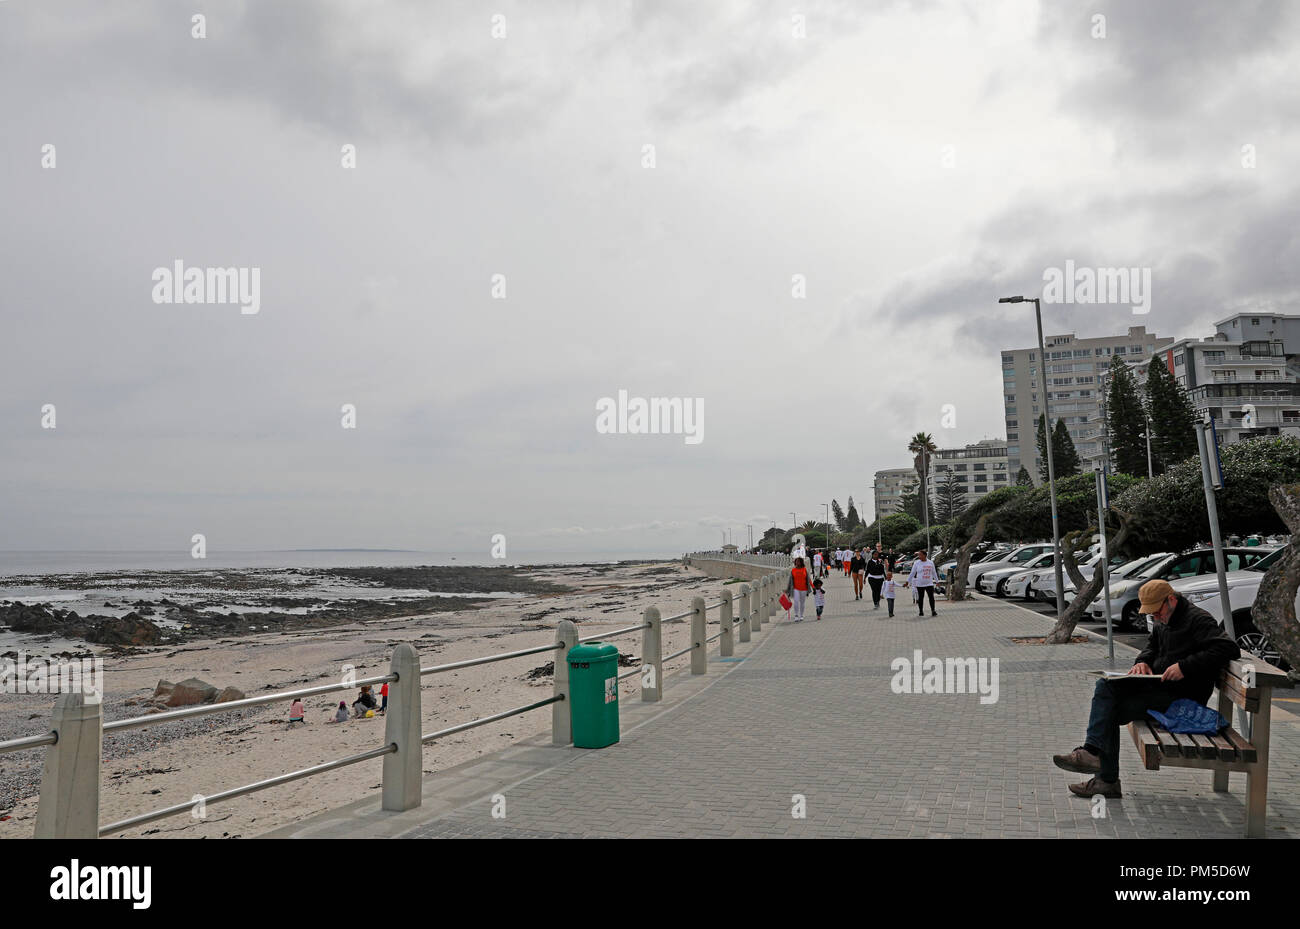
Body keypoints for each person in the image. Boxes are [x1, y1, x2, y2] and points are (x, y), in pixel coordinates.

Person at [1052, 579, 1240, 798]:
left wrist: (1185, 667)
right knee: (1105, 687)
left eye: (1157, 612)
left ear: (1171, 600)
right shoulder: (1163, 618)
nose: (1156, 617)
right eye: (1151, 614)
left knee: (1108, 710)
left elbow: (1228, 648)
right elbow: (1151, 646)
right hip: (1159, 686)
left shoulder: (1197, 619)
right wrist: (1142, 662)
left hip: (1182, 697)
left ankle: (1103, 774)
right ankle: (1096, 761)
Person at [906, 549, 938, 617]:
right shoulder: (916, 563)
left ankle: (933, 610)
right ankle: (921, 611)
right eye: (918, 555)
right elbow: (912, 573)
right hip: (920, 583)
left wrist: (937, 581)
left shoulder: (930, 562)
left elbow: (934, 572)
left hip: (929, 583)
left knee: (931, 597)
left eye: (920, 555)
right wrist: (907, 581)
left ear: (925, 555)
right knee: (921, 598)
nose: (919, 556)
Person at [786, 556, 812, 621]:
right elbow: (790, 581)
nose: (797, 563)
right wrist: (788, 590)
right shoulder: (793, 570)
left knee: (802, 603)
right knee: (796, 602)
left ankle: (801, 615)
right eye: (796, 561)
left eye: (799, 561)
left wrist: (813, 587)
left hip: (804, 588)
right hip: (795, 589)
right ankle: (796, 615)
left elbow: (808, 579)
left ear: (801, 562)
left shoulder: (804, 569)